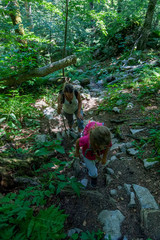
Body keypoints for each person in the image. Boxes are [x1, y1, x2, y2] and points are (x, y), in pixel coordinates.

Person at [75, 121, 112, 187]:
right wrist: (77, 152)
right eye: (102, 146)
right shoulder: (86, 140)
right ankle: (93, 177)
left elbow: (107, 148)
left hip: (96, 154)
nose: (104, 147)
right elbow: (78, 142)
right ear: (95, 143)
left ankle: (93, 165)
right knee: (94, 173)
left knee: (95, 162)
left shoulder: (106, 140)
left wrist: (104, 158)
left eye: (104, 146)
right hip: (87, 155)